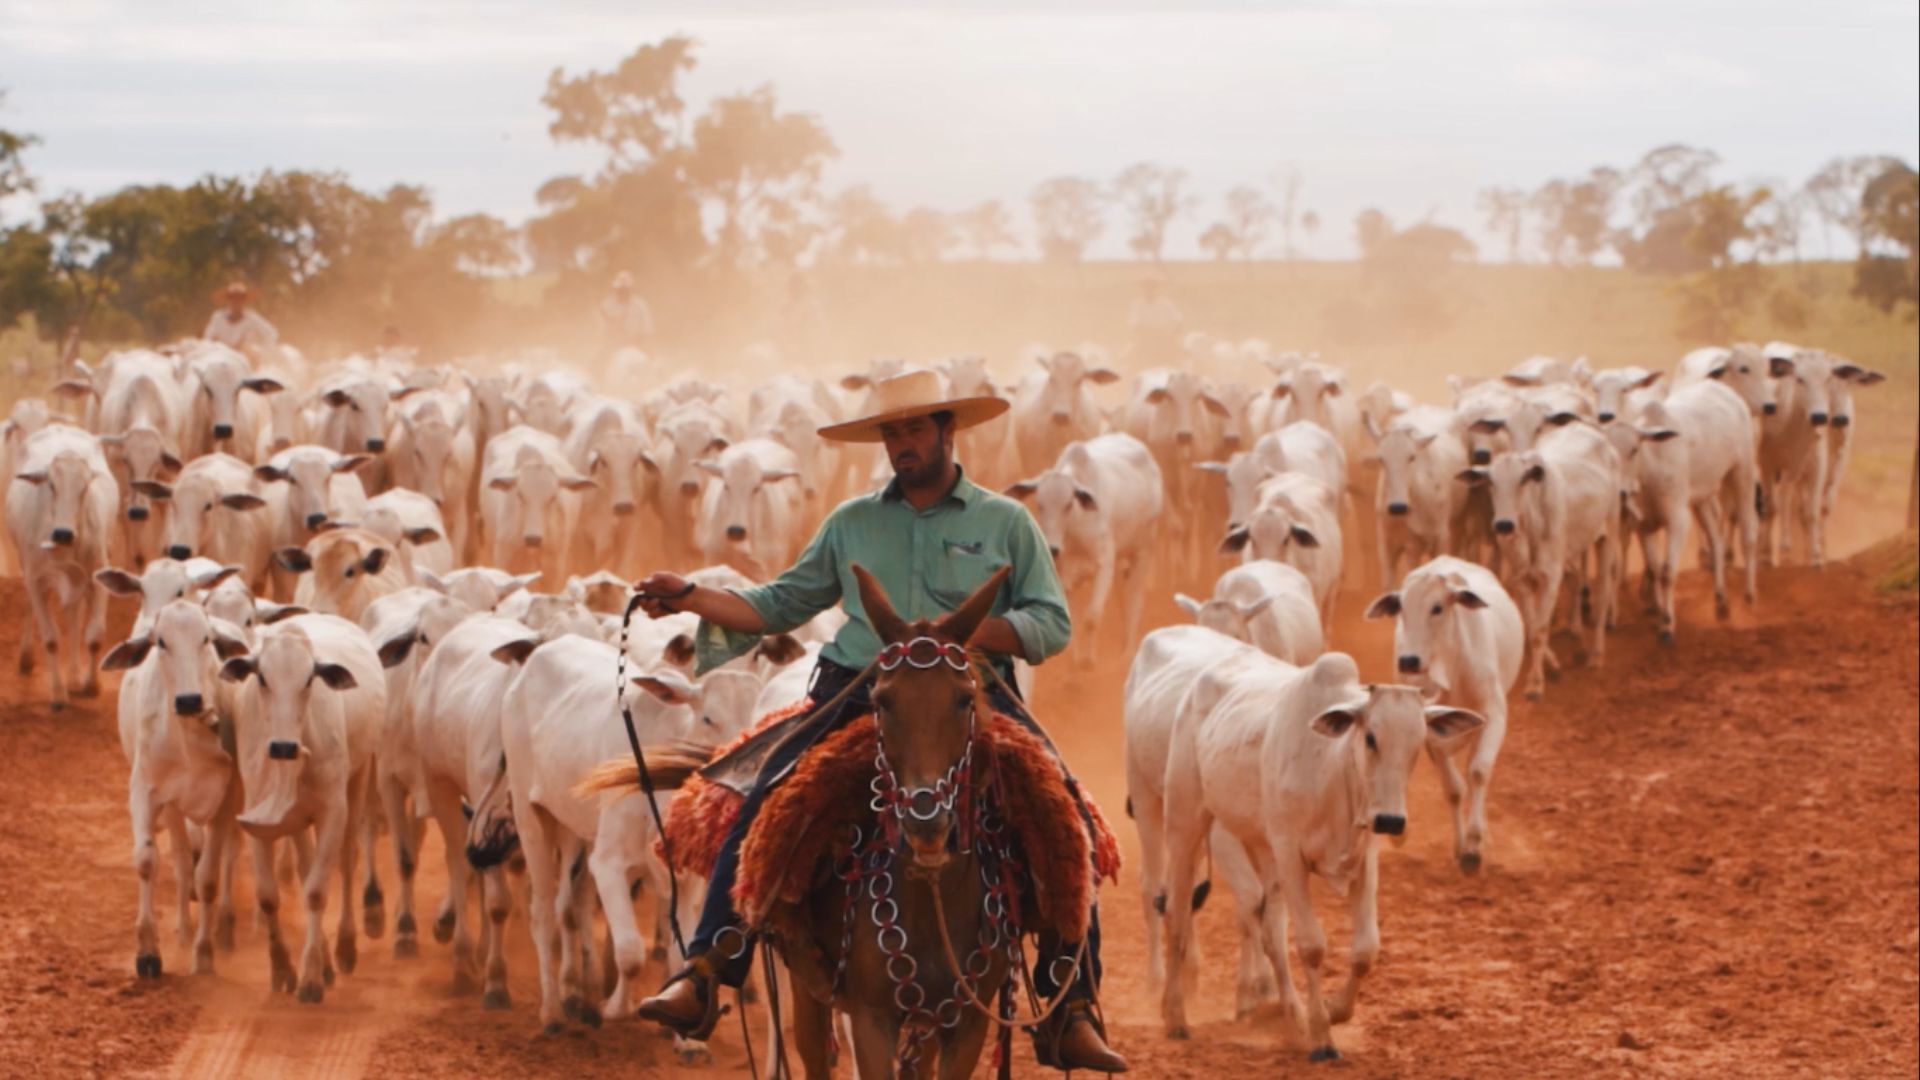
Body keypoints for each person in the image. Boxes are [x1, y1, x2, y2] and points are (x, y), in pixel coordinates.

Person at [632, 369, 1128, 1073]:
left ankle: (1070, 1003)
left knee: (1064, 810)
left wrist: (963, 636)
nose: (902, 443)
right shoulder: (851, 522)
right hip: (860, 689)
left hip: (972, 694)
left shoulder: (1005, 521)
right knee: (769, 793)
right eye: (891, 431)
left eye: (915, 429)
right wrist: (689, 596)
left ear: (947, 431)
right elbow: (777, 605)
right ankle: (711, 966)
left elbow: (1051, 623)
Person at [202, 281, 280, 362]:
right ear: (228, 300)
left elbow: (271, 333)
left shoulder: (252, 318)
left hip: (246, 360)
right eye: (232, 298)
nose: (236, 301)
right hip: (220, 358)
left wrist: (260, 351)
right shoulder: (218, 317)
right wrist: (215, 345)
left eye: (240, 298)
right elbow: (208, 338)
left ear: (244, 301)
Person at [1126, 270, 1184, 366]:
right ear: (1142, 288)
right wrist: (1141, 330)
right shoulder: (1137, 304)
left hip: (1164, 337)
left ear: (1157, 287)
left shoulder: (1165, 303)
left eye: (1152, 286)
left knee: (1181, 357)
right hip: (1145, 338)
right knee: (1129, 358)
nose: (1149, 289)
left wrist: (1175, 329)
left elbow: (1177, 318)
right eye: (1146, 286)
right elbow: (1134, 322)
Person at [598, 270, 654, 352]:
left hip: (636, 345)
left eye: (624, 289)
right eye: (619, 289)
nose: (621, 292)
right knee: (597, 361)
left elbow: (647, 329)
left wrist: (638, 343)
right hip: (611, 346)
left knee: (653, 362)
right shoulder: (607, 305)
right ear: (615, 289)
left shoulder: (640, 305)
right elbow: (601, 328)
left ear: (630, 289)